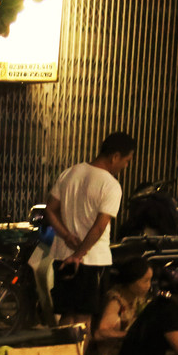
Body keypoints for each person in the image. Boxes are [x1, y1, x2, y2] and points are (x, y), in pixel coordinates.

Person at [46, 131, 138, 326]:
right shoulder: (111, 185)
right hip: (91, 260)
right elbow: (98, 228)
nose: (126, 166)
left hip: (62, 256)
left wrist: (66, 235)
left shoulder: (70, 173)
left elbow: (50, 211)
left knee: (67, 315)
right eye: (127, 160)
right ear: (115, 157)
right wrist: (78, 255)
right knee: (84, 318)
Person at [92, 257, 154, 355]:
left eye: (150, 280)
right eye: (145, 281)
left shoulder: (138, 299)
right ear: (131, 281)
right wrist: (128, 334)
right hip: (109, 348)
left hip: (127, 349)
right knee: (115, 323)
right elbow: (100, 333)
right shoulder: (116, 301)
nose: (148, 285)